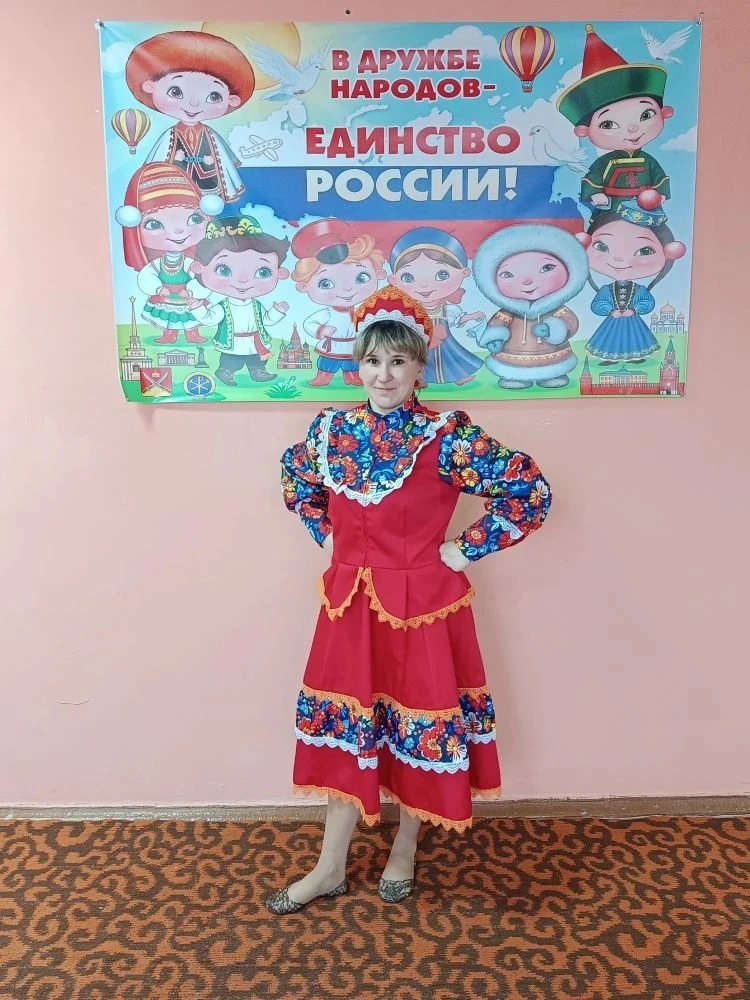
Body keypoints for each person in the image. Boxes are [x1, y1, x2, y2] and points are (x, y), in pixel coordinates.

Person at [271, 286, 551, 914]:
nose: (384, 375)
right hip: (349, 608)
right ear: (358, 364)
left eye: (398, 361)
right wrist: (327, 534)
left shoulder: (446, 437)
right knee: (349, 728)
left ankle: (404, 848)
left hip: (424, 608)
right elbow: (295, 480)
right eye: (372, 361)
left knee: (417, 724)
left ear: (420, 366)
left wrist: (464, 549)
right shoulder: (331, 431)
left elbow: (529, 491)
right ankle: (329, 866)